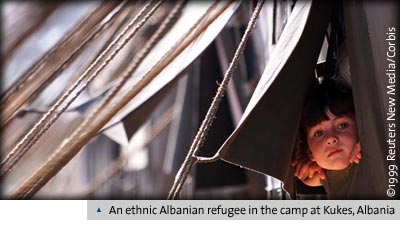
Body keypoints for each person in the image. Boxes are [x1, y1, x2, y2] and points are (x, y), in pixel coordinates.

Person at [291, 79, 362, 198]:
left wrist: (366, 143)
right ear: (310, 152)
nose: (330, 139)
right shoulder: (326, 175)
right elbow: (306, 177)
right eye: (318, 133)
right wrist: (311, 163)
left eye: (342, 125)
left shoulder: (369, 154)